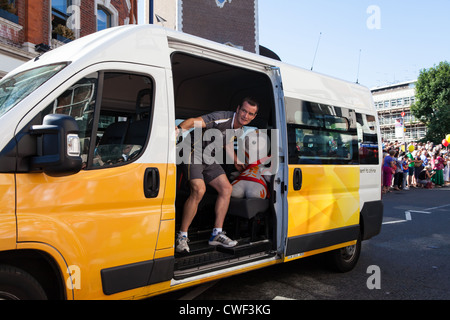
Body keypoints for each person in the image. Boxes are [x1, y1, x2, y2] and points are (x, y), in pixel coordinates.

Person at [175, 97, 259, 253]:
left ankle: (216, 234)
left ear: (254, 116)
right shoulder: (222, 117)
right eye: (244, 111)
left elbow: (225, 142)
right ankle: (182, 236)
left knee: (226, 189)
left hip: (208, 158)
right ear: (238, 108)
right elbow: (194, 121)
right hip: (191, 152)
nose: (246, 116)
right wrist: (178, 130)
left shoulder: (239, 128)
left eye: (250, 114)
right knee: (199, 190)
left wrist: (235, 160)